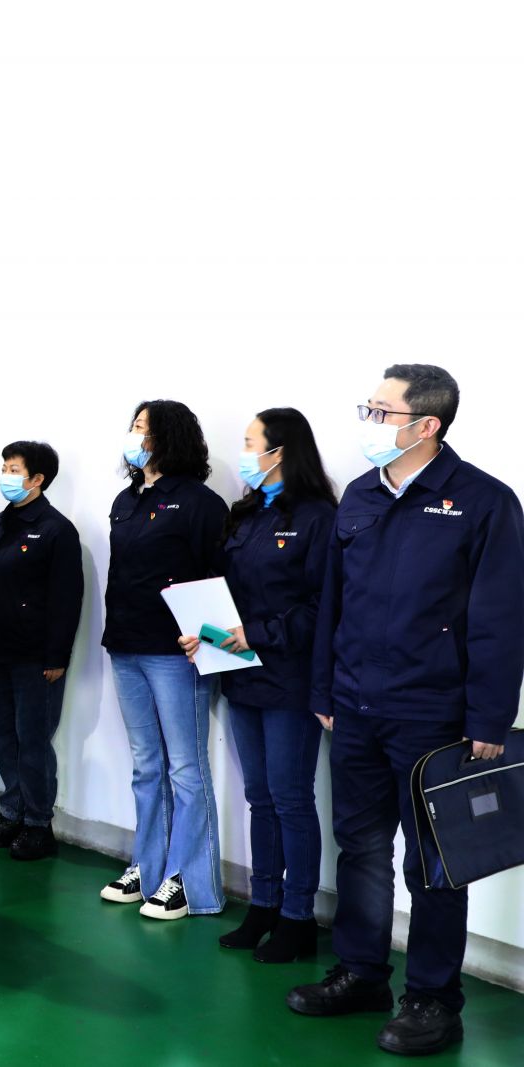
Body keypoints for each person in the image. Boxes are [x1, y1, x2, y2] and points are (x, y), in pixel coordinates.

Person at [288, 365, 524, 1057]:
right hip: (355, 707)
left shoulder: (483, 502)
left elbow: (500, 619)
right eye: (368, 407)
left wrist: (488, 719)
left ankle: (432, 1000)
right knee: (360, 847)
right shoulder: (360, 495)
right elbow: (334, 603)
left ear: (428, 424)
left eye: (381, 411)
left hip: (433, 716)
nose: (368, 422)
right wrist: (324, 691)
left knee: (433, 864)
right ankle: (362, 973)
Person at [172, 410, 336, 960]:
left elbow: (321, 608)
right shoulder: (247, 513)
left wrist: (256, 634)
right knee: (259, 798)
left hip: (288, 678)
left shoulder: (318, 518)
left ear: (280, 451)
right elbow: (227, 592)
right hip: (241, 673)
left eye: (250, 443)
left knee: (291, 799)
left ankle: (297, 917)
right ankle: (263, 904)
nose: (243, 452)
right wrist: (205, 633)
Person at [100, 400, 227, 921]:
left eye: (145, 429)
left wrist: (211, 642)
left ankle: (190, 882)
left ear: (170, 438)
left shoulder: (200, 503)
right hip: (126, 645)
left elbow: (219, 579)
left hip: (177, 654)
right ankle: (148, 866)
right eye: (134, 426)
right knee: (146, 765)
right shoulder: (127, 499)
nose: (135, 436)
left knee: (186, 769)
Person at [0, 441, 82, 861]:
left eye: (14, 469)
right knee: (3, 737)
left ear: (37, 479)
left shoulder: (56, 530)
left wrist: (57, 657)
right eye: (4, 467)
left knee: (33, 741)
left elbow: (66, 599)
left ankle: (38, 823)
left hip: (35, 658)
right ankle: (11, 813)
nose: (6, 475)